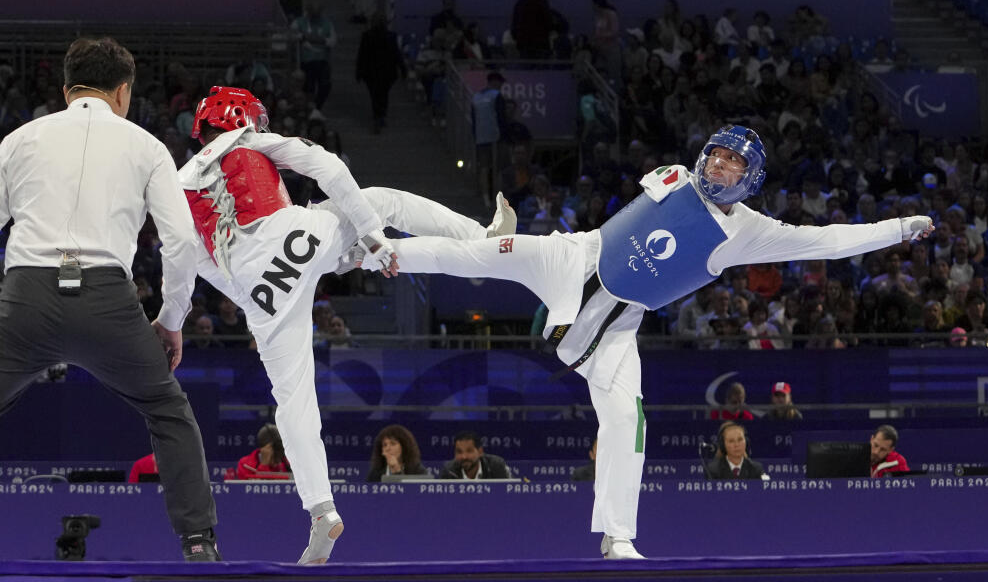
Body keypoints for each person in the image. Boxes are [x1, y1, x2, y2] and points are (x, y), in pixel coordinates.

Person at [388, 125, 933, 560]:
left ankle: (617, 537)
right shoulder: (672, 174)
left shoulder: (749, 232)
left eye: (732, 162)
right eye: (715, 155)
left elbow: (829, 242)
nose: (719, 165)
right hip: (574, 259)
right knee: (473, 258)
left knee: (628, 419)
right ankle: (373, 252)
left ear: (751, 177)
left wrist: (901, 227)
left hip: (618, 326)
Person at [0, 38, 221, 564]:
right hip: (108, 302)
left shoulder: (20, 140)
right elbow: (181, 243)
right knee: (169, 414)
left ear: (66, 90)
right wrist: (171, 320)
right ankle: (199, 544)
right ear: (123, 92)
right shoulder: (147, 146)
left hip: (25, 300)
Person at [159, 85, 507, 564]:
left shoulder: (179, 184)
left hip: (256, 288)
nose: (259, 127)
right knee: (381, 204)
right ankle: (485, 241)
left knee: (292, 403)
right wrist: (372, 235)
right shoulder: (247, 141)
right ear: (240, 116)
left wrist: (185, 318)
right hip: (289, 236)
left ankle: (321, 511)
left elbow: (188, 259)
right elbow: (328, 167)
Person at [353, 14, 404, 134]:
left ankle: (378, 115)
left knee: (375, 95)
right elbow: (396, 54)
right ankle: (380, 115)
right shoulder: (390, 36)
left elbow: (362, 55)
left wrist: (359, 72)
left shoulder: (367, 36)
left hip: (372, 71)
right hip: (386, 71)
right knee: (383, 94)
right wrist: (402, 68)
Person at [290, 2, 336, 109]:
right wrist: (304, 37)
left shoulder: (327, 23)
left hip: (322, 61)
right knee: (308, 86)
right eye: (312, 12)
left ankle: (316, 107)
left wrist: (317, 39)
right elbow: (292, 35)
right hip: (306, 61)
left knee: (325, 85)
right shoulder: (299, 22)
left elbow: (332, 41)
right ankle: (309, 108)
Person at [437, 431, 511, 480]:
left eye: (469, 451)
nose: (464, 457)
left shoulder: (495, 466)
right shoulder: (449, 471)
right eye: (459, 452)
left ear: (480, 452)